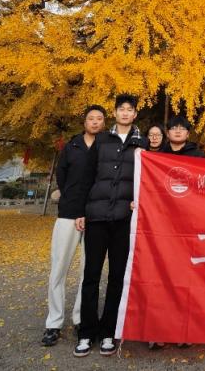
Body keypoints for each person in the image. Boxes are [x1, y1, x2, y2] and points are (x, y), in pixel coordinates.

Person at [75, 94, 145, 357]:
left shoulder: (142, 143)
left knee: (117, 277)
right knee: (91, 275)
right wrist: (81, 211)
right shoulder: (102, 140)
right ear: (115, 113)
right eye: (121, 109)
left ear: (135, 114)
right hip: (97, 216)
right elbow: (87, 177)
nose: (125, 113)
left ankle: (108, 331)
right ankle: (86, 332)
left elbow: (146, 180)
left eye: (130, 110)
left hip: (124, 219)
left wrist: (138, 200)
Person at [42, 104, 105, 347]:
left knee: (88, 271)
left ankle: (81, 318)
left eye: (99, 118)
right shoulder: (72, 146)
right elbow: (63, 177)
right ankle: (53, 322)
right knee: (59, 268)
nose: (95, 122)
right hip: (68, 213)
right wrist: (73, 205)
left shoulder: (106, 147)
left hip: (95, 216)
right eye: (91, 118)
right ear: (85, 122)